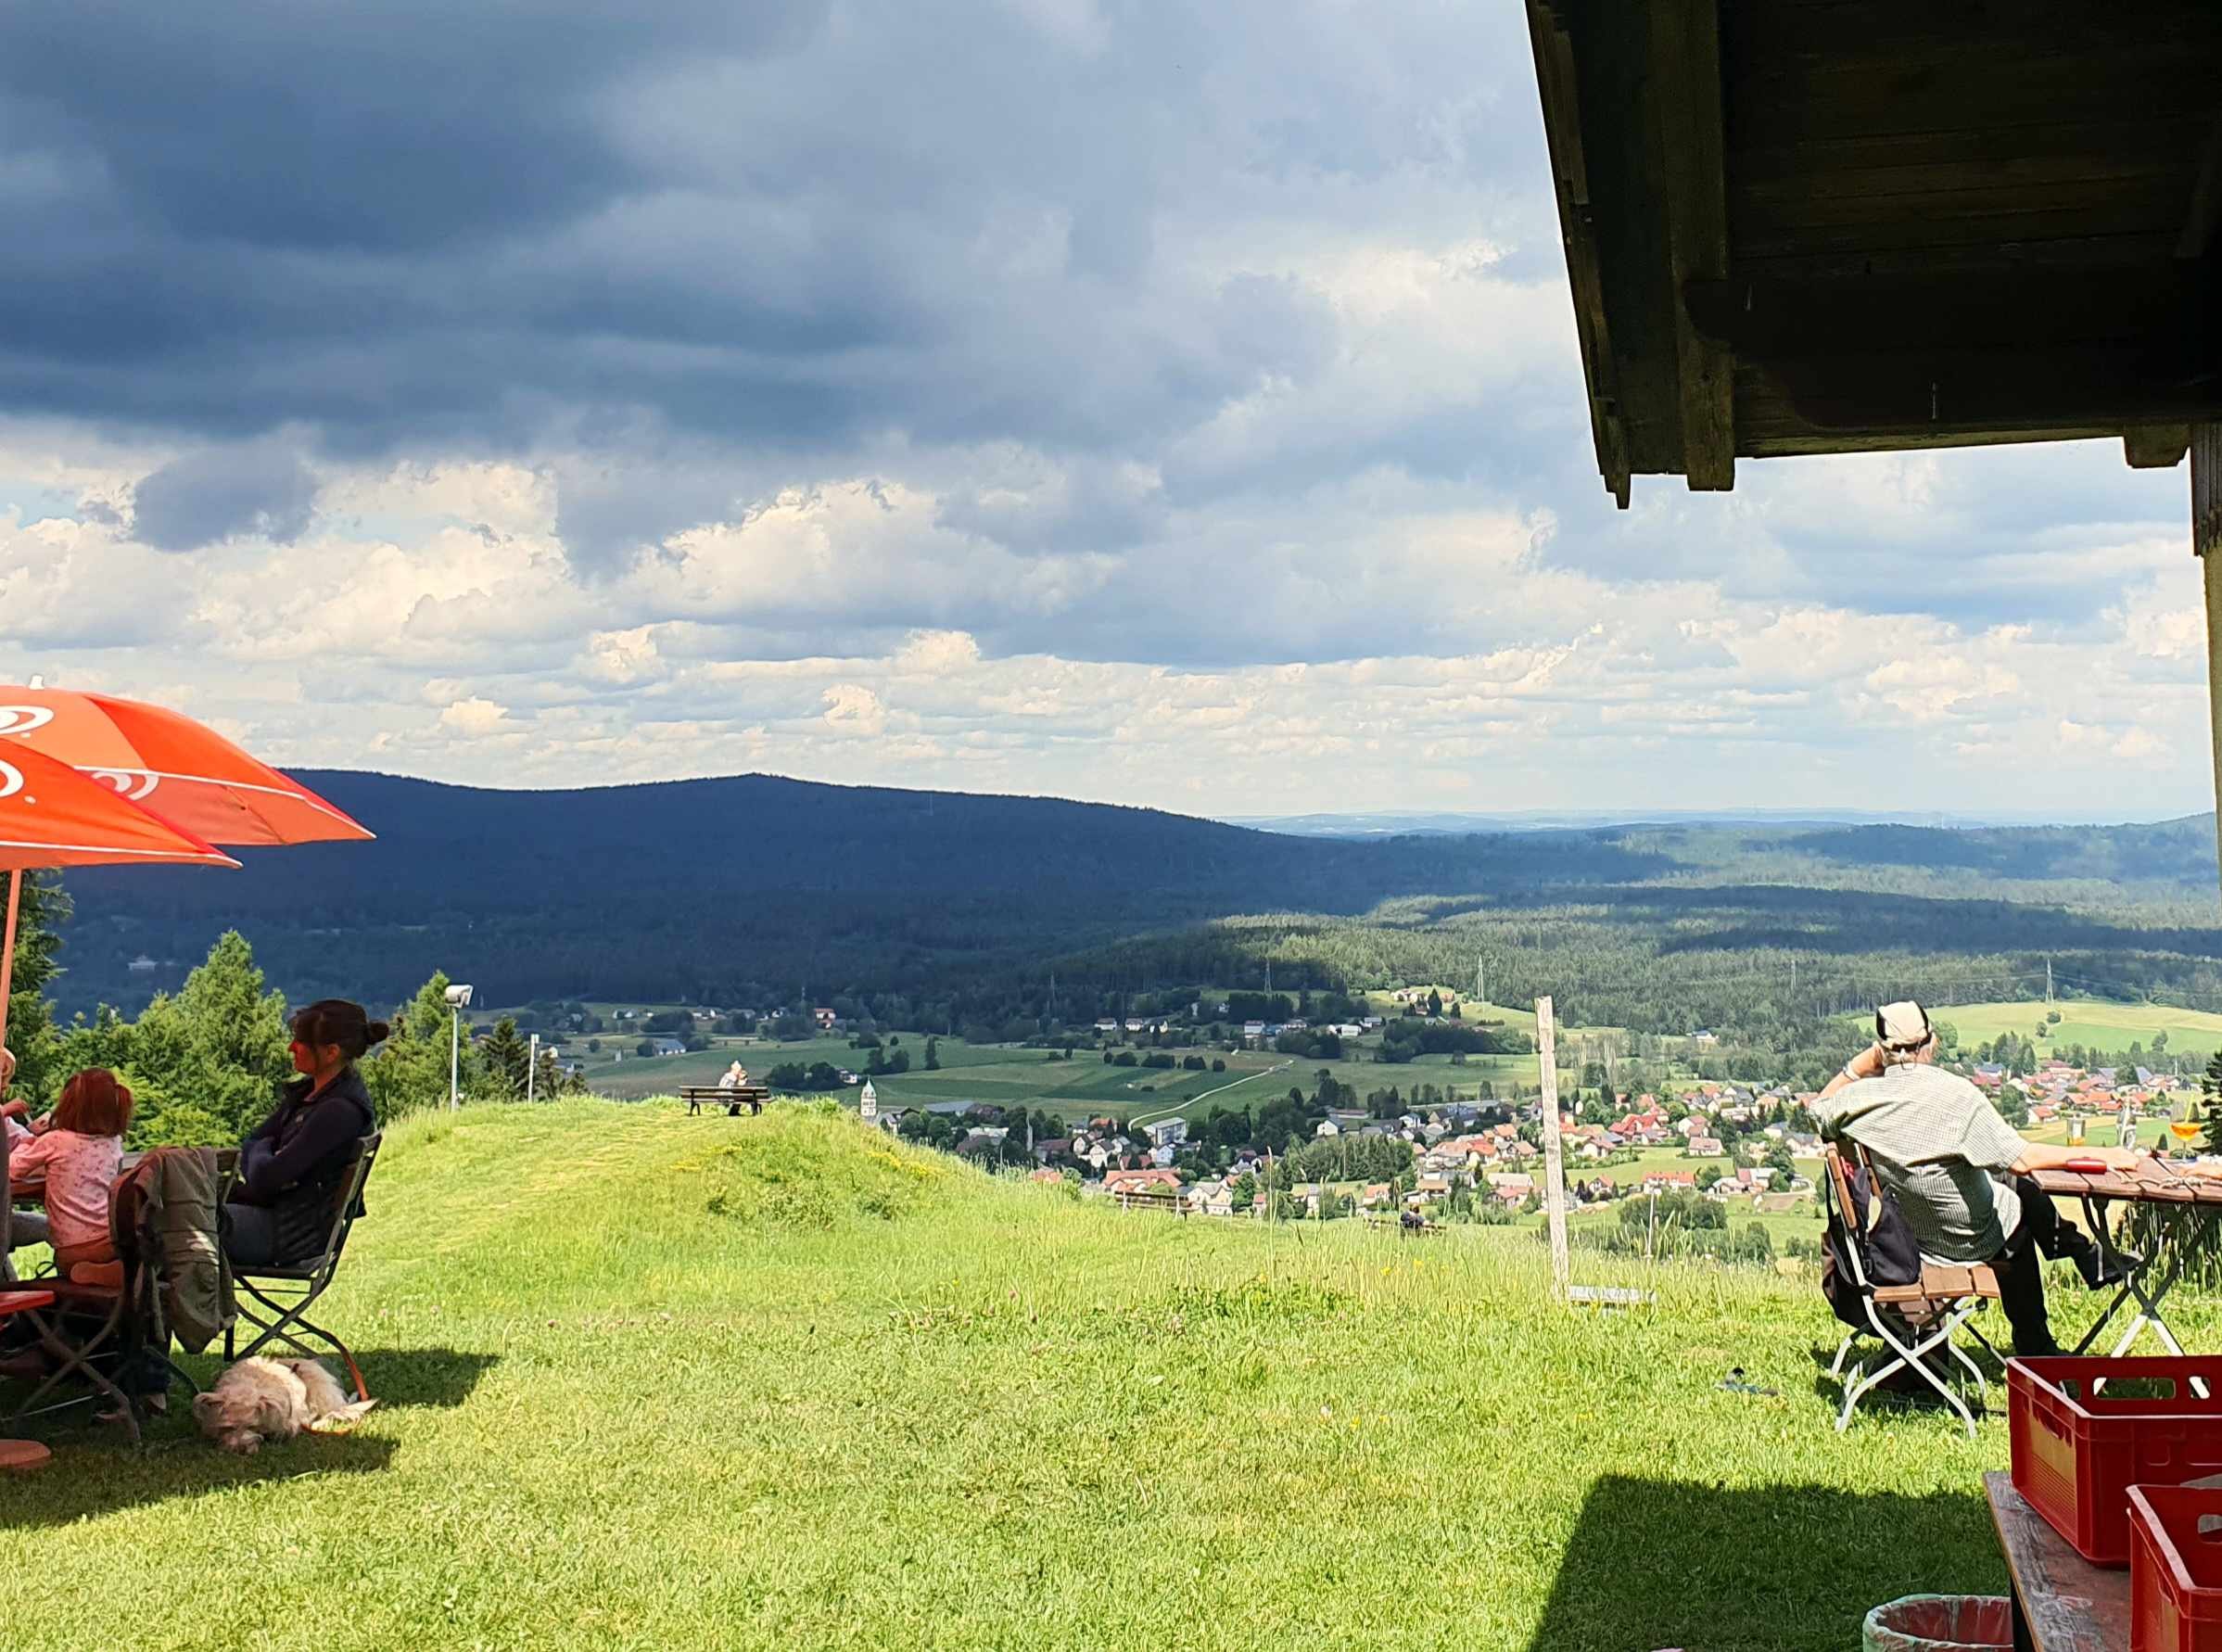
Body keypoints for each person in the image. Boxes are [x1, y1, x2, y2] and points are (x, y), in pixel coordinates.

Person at [1813, 1000, 2139, 1356]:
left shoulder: (1860, 1100)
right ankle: (2037, 1342)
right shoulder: (1957, 1096)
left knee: (2006, 1178)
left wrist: (1862, 1064)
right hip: (1967, 1242)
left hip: (1913, 1235)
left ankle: (2085, 1257)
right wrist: (2108, 1156)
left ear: (1881, 1049)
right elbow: (2025, 1158)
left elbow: (1818, 1107)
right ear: (1931, 1042)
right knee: (2016, 1204)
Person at [226, 1000, 385, 1269]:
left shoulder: (338, 1113)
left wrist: (263, 1150)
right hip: (276, 1219)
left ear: (331, 1052)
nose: (291, 1048)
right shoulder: (310, 1095)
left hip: (288, 1236)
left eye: (300, 1042)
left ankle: (184, 1310)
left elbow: (265, 1176)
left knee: (172, 1229)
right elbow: (252, 1143)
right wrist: (265, 1152)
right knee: (163, 1217)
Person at [6, 1069, 132, 1274]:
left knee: (69, 1260)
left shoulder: (55, 1141)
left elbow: (10, 1170)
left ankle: (87, 1273)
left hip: (71, 1250)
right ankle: (108, 1273)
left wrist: (30, 1139)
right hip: (109, 1241)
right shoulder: (114, 1143)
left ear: (69, 1106)